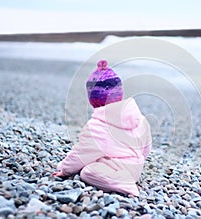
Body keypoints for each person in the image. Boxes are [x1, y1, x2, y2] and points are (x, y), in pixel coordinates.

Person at [52, 60, 152, 196]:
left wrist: (64, 169)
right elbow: (146, 147)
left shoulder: (98, 126)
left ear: (93, 99)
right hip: (136, 167)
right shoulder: (139, 118)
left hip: (118, 171)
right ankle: (126, 177)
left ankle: (124, 184)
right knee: (98, 158)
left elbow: (82, 153)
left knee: (88, 172)